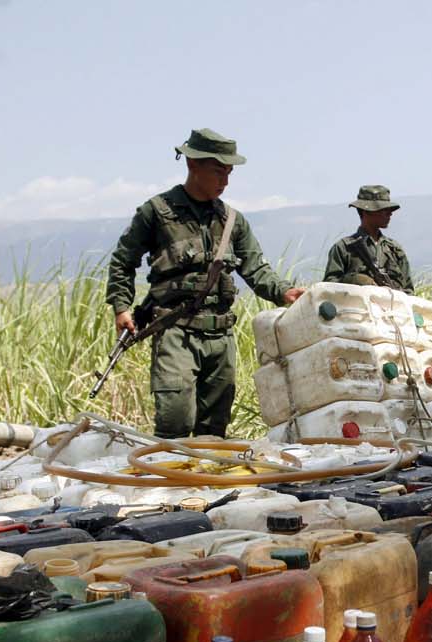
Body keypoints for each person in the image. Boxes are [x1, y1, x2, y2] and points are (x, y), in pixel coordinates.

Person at [105, 128, 304, 438]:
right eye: (217, 172)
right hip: (175, 331)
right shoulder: (157, 212)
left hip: (220, 337)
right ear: (192, 165)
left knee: (213, 429)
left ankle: (205, 483)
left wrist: (284, 291)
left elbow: (256, 268)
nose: (224, 181)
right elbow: (122, 260)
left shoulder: (232, 221)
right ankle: (170, 482)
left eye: (228, 173)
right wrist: (121, 307)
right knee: (176, 419)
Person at [322, 185, 415, 291]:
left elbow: (408, 291)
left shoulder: (394, 249)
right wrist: (356, 280)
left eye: (389, 210)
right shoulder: (344, 248)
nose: (390, 214)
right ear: (366, 211)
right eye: (383, 210)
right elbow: (329, 287)